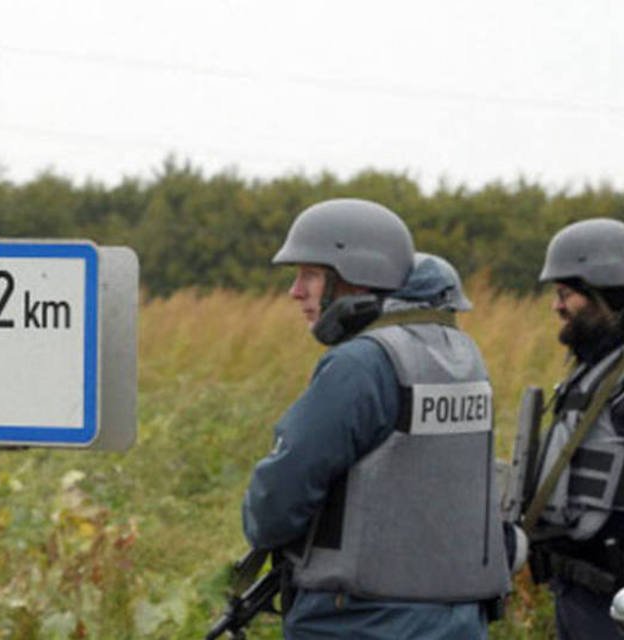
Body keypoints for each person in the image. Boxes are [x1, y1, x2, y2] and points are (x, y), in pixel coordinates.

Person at [242, 199, 510, 639]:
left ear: (353, 277)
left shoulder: (361, 363)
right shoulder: (462, 355)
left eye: (309, 274)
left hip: (358, 621)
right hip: (457, 620)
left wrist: (263, 526)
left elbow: (279, 498)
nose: (295, 291)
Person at [523, 218, 624, 639]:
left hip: (610, 601)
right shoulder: (598, 369)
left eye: (567, 294)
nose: (557, 307)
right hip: (579, 591)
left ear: (608, 295)